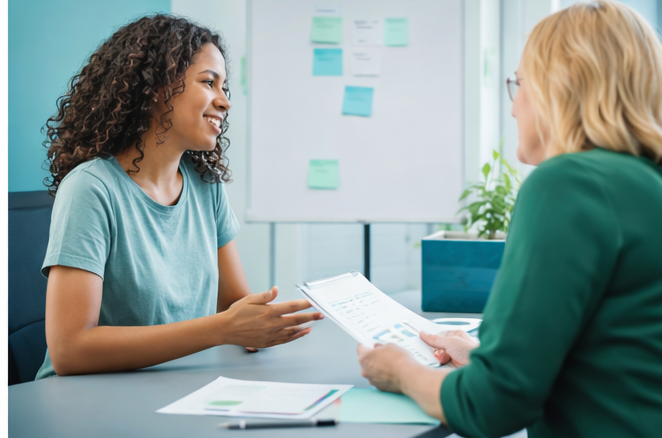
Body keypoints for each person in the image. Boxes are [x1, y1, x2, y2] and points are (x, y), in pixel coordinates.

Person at [357, 2, 662, 437]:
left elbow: (492, 406)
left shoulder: (571, 182)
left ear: (563, 85)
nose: (515, 106)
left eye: (520, 84)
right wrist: (488, 356)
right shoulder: (645, 183)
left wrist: (401, 370)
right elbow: (617, 355)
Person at [37, 15, 323, 379]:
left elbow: (233, 304)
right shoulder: (90, 189)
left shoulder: (207, 185)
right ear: (157, 85)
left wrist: (263, 324)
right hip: (83, 402)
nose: (225, 102)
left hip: (177, 384)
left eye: (226, 89)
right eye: (209, 83)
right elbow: (70, 350)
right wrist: (223, 328)